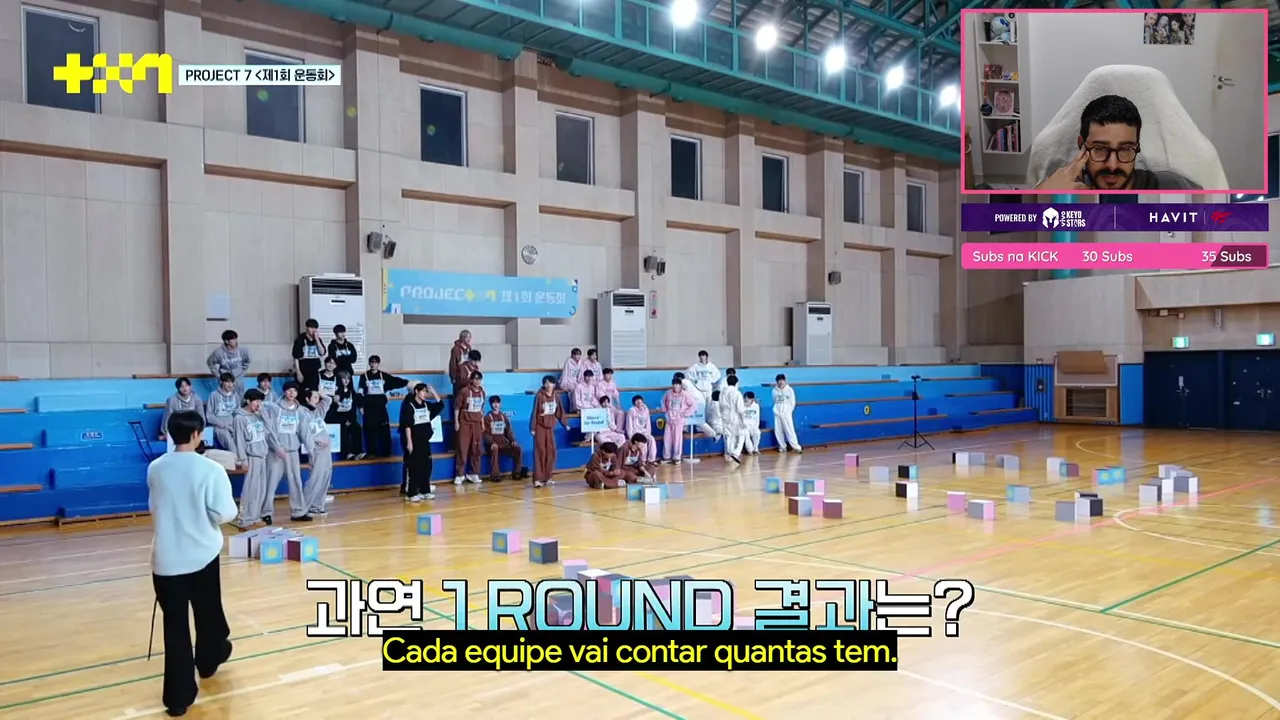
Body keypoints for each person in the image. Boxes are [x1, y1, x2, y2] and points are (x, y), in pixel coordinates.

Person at [146, 410, 236, 717]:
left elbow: (155, 506)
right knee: (207, 612)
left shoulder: (155, 468)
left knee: (175, 630)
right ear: (197, 434)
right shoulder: (211, 469)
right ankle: (208, 662)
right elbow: (225, 513)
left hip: (166, 560)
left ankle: (177, 698)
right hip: (201, 556)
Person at [1035, 95, 1200, 191]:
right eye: (1100, 149)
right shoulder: (1063, 188)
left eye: (1125, 149)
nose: (1112, 165)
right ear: (1081, 146)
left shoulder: (1172, 187)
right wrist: (1040, 198)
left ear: (1137, 146)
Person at [261, 381, 310, 522]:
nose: (291, 393)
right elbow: (269, 429)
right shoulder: (274, 408)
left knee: (296, 481)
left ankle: (298, 511)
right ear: (284, 392)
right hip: (276, 451)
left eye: (294, 390)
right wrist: (277, 447)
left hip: (292, 451)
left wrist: (311, 451)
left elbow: (305, 432)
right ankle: (265, 512)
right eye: (289, 390)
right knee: (271, 482)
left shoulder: (300, 411)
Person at [232, 389, 271, 528]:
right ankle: (245, 519)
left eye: (260, 401)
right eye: (256, 401)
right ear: (248, 401)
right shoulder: (239, 418)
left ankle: (255, 517)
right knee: (250, 489)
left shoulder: (258, 416)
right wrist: (243, 460)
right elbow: (239, 440)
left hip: (262, 455)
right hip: (251, 456)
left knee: (260, 489)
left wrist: (263, 414)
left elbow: (269, 430)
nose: (258, 404)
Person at [399, 383, 444, 502]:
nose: (425, 394)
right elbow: (407, 425)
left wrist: (433, 392)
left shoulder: (426, 405)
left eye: (426, 391)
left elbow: (440, 405)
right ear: (416, 391)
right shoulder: (409, 406)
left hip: (425, 441)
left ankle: (425, 490)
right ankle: (412, 493)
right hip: (414, 441)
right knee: (414, 467)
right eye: (423, 391)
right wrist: (409, 442)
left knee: (426, 466)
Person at [358, 355, 409, 458]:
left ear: (378, 364)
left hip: (381, 406)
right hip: (368, 406)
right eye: (371, 362)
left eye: (375, 362)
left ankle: (386, 451)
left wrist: (407, 382)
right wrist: (360, 406)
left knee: (384, 428)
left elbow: (395, 381)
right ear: (369, 363)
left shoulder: (384, 376)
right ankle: (372, 452)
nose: (373, 364)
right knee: (369, 429)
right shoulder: (363, 376)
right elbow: (360, 392)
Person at [300, 387, 334, 516]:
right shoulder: (302, 413)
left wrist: (319, 393)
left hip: (326, 451)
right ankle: (304, 507)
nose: (317, 400)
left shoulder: (318, 411)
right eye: (314, 398)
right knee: (315, 478)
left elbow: (328, 400)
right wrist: (314, 445)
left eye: (318, 398)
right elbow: (304, 434)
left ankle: (317, 506)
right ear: (307, 399)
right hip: (316, 451)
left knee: (325, 477)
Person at [530, 375, 569, 489]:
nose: (548, 385)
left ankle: (547, 477)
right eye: (546, 383)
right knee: (540, 452)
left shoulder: (556, 396)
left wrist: (565, 424)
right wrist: (533, 428)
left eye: (550, 383)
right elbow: (535, 412)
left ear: (554, 384)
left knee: (551, 452)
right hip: (540, 427)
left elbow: (560, 411)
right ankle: (538, 479)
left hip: (550, 428)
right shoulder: (539, 396)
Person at [453, 370, 487, 485]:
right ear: (471, 380)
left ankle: (474, 473)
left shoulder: (482, 392)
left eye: (479, 379)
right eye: (475, 379)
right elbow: (457, 407)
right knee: (462, 449)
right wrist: (456, 422)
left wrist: (482, 423)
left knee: (476, 449)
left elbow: (481, 409)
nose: (477, 381)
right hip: (465, 423)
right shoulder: (464, 391)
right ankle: (460, 474)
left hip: (477, 423)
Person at [484, 395, 527, 482]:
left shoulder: (504, 417)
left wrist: (513, 441)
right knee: (494, 449)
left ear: (500, 404)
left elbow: (509, 432)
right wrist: (492, 442)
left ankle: (517, 473)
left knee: (518, 449)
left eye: (497, 403)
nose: (496, 405)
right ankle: (495, 475)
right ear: (490, 404)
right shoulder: (488, 417)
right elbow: (485, 433)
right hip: (492, 445)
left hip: (504, 444)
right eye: (493, 403)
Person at [326, 372, 363, 460]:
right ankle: (347, 454)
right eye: (344, 378)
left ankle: (358, 452)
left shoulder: (351, 392)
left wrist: (350, 420)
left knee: (356, 427)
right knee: (343, 429)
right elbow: (332, 410)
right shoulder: (334, 392)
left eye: (348, 378)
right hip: (336, 419)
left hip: (348, 418)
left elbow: (353, 408)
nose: (346, 381)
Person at [661, 376, 696, 464]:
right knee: (667, 438)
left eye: (677, 384)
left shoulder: (685, 395)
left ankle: (677, 457)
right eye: (674, 384)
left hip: (679, 419)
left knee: (677, 439)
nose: (675, 386)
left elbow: (693, 405)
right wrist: (665, 410)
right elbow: (662, 401)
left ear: (680, 385)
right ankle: (667, 457)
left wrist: (685, 414)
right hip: (669, 419)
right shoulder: (668, 393)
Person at [206, 330, 251, 396]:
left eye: (236, 339)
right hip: (225, 380)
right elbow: (210, 362)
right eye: (233, 339)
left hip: (238, 379)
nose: (235, 341)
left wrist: (242, 371)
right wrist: (218, 376)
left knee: (240, 397)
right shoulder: (218, 352)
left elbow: (248, 360)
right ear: (226, 341)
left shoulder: (243, 350)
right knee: (225, 396)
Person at [205, 373, 240, 450]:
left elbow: (238, 413)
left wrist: (234, 425)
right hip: (219, 426)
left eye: (231, 382)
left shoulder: (236, 396)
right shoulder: (213, 395)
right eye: (227, 382)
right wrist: (223, 425)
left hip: (233, 425)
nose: (230, 384)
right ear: (221, 382)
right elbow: (209, 416)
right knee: (227, 438)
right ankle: (236, 456)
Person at [772, 374, 803, 454]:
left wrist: (788, 411)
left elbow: (792, 403)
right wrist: (777, 411)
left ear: (785, 381)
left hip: (786, 414)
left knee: (789, 430)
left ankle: (796, 447)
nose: (780, 383)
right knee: (778, 431)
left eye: (782, 381)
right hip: (777, 413)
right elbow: (775, 401)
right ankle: (782, 446)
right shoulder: (774, 391)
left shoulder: (790, 390)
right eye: (779, 381)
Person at [291, 318, 325, 390]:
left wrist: (317, 339)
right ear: (307, 328)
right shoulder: (300, 340)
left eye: (315, 328)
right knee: (303, 390)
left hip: (315, 370)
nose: (314, 330)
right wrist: (298, 372)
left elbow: (322, 352)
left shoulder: (318, 340)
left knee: (314, 390)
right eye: (311, 328)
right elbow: (296, 357)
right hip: (303, 370)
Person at [720, 375, 746, 464]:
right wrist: (742, 421)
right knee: (742, 435)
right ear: (736, 383)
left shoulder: (722, 392)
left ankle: (729, 454)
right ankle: (736, 452)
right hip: (735, 417)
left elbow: (721, 405)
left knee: (729, 436)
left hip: (725, 417)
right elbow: (740, 409)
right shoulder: (737, 393)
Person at [625, 395, 658, 466]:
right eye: (637, 401)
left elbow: (648, 423)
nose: (639, 402)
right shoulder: (631, 410)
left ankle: (651, 460)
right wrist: (631, 436)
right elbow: (629, 424)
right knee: (643, 443)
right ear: (634, 403)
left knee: (652, 439)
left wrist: (648, 433)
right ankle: (643, 461)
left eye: (640, 401)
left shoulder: (646, 410)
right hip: (635, 433)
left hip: (644, 432)